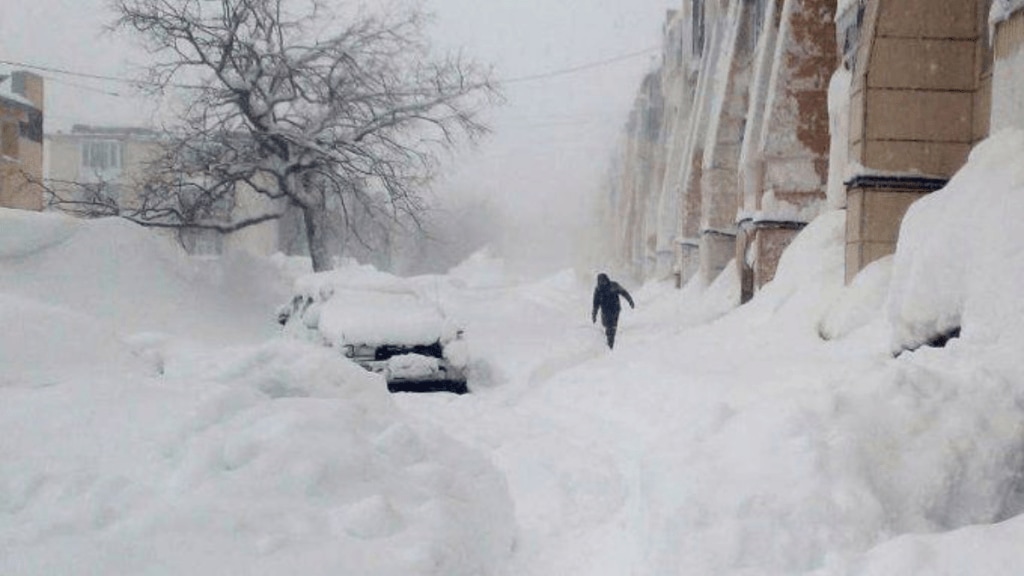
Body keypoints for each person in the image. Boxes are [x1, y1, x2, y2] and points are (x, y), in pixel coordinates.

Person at [591, 272, 635, 349]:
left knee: (612, 327)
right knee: (606, 326)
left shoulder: (613, 285)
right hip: (605, 311)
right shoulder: (598, 290)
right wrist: (594, 315)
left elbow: (624, 292)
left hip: (615, 309)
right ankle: (609, 344)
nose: (603, 283)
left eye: (603, 281)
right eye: (600, 281)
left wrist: (630, 301)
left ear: (607, 279)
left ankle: (610, 345)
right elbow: (595, 304)